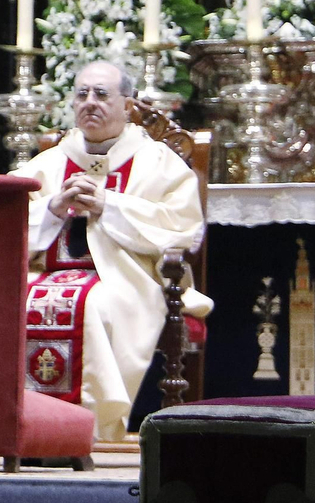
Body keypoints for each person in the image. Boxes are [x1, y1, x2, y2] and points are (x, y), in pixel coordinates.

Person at [14, 60, 207, 444]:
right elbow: (2, 224)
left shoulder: (158, 162)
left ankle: (90, 430)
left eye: (102, 95)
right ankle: (23, 429)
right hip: (43, 274)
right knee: (11, 304)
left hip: (129, 279)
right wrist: (53, 209)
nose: (90, 103)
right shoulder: (47, 163)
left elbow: (183, 229)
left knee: (94, 306)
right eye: (82, 94)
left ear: (128, 105)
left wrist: (108, 206)